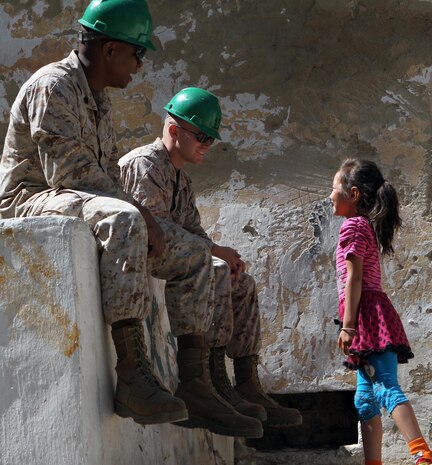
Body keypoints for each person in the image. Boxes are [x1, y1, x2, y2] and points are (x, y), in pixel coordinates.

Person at [0, 0, 189, 428]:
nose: (139, 65)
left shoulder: (98, 101)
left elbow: (105, 179)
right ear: (109, 51)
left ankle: (199, 380)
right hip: (29, 199)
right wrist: (140, 212)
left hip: (70, 194)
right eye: (136, 53)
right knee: (124, 220)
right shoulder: (55, 85)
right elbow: (69, 173)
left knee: (189, 252)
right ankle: (132, 376)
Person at [118, 87, 302, 436]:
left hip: (169, 253)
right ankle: (199, 383)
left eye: (210, 140)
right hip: (139, 251)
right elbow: (154, 230)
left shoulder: (180, 179)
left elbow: (192, 231)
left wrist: (221, 252)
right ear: (174, 131)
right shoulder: (146, 164)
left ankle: (239, 383)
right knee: (211, 264)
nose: (206, 145)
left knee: (240, 281)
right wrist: (212, 252)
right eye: (201, 137)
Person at [330, 158, 432, 465]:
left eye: (334, 188)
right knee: (365, 400)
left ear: (354, 194)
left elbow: (354, 278)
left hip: (367, 319)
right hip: (370, 317)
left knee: (386, 387)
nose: (330, 195)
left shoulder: (353, 227)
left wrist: (348, 326)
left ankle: (422, 453)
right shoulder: (363, 226)